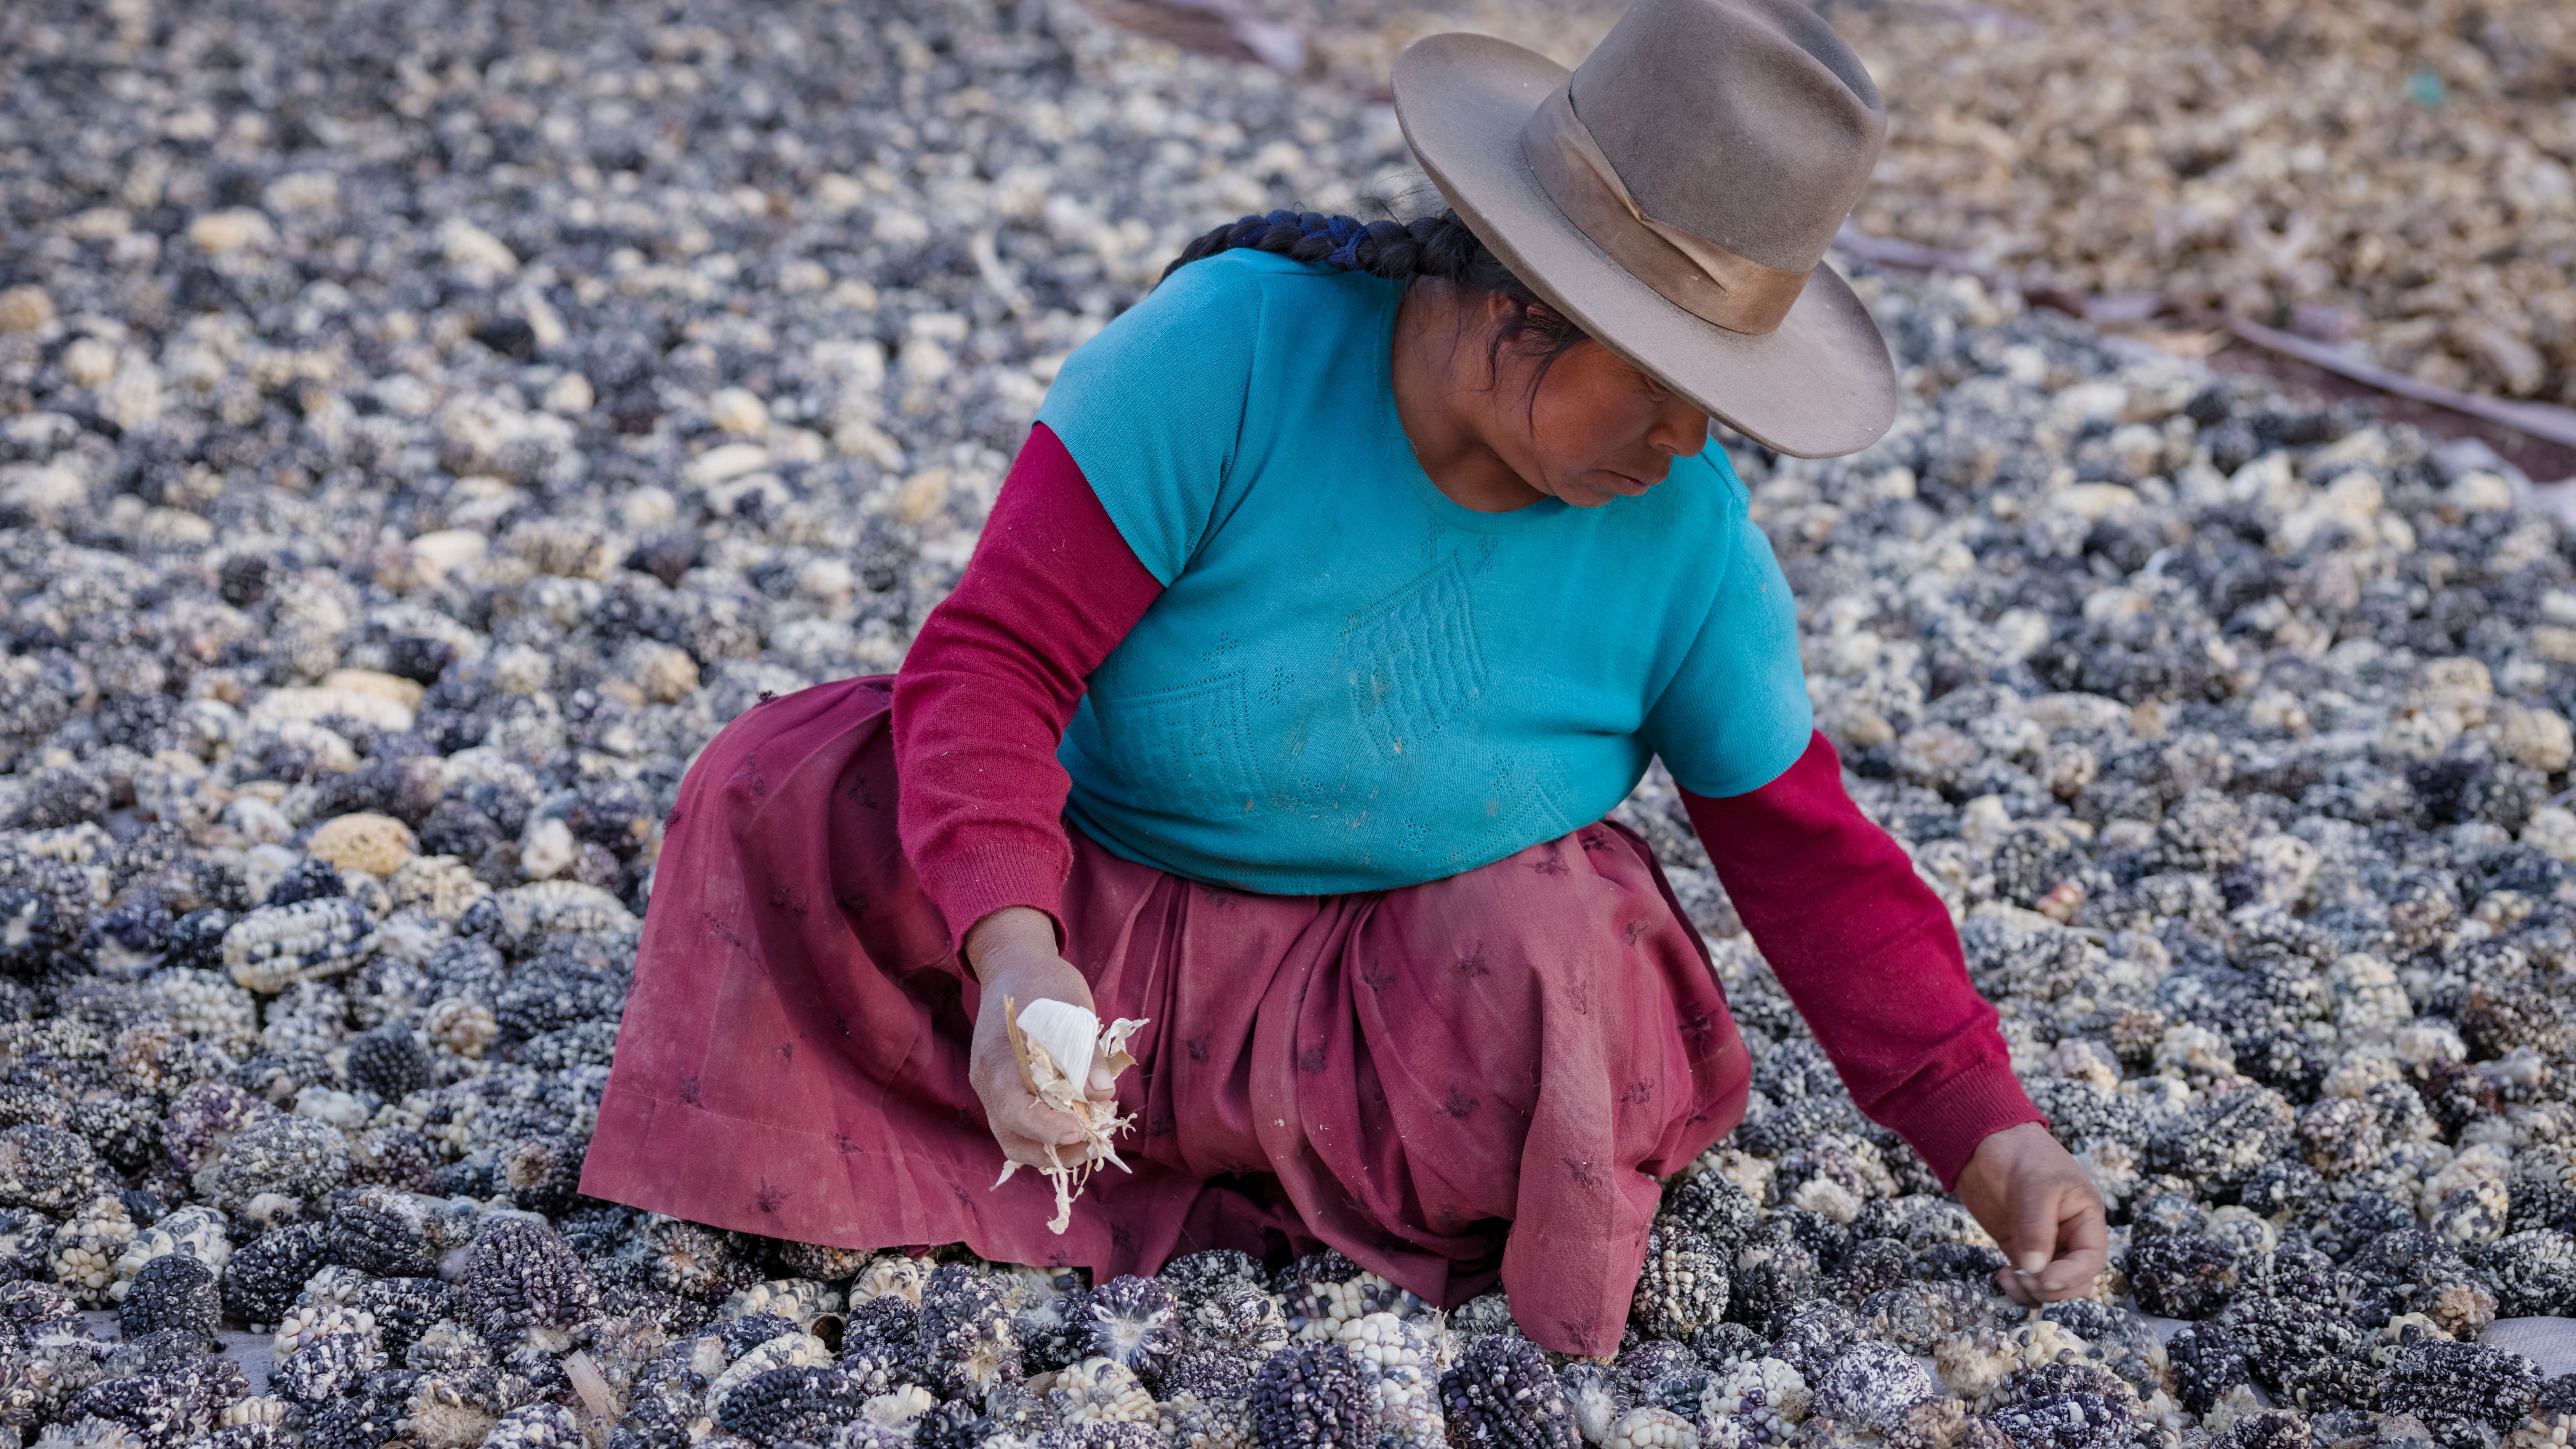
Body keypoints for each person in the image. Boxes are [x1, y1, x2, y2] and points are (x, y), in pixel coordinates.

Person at [581, 0, 2105, 1355]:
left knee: (1580, 964)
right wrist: (1015, 955)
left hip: (1370, 1017)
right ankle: (1099, 1155)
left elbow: (1814, 865)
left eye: (1721, 410)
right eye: (1663, 386)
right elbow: (995, 660)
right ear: (1524, 302)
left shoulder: (1685, 540)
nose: (1689, 445)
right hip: (1087, 912)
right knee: (777, 793)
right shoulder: (1233, 349)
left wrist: (1993, 1139)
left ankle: (1238, 1184)